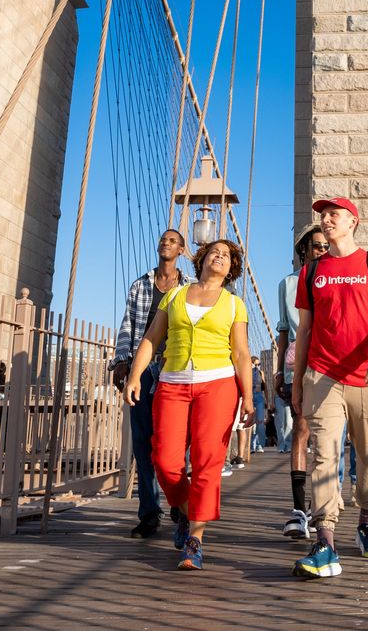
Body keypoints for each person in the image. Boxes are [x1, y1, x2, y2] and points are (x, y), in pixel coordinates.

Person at [291, 197, 368, 580]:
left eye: (333, 215)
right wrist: (298, 381)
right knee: (325, 456)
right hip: (322, 375)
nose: (326, 220)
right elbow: (305, 330)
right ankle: (325, 541)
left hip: (367, 376)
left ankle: (367, 522)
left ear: (353, 221)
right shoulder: (311, 272)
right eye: (322, 216)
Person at [124, 238, 253, 571]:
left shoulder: (234, 304)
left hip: (219, 385)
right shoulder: (175, 295)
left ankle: (195, 540)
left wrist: (249, 398)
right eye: (214, 252)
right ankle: (184, 509)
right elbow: (152, 338)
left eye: (226, 256)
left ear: (231, 268)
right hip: (173, 382)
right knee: (164, 460)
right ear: (202, 259)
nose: (219, 257)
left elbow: (241, 354)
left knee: (207, 462)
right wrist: (135, 375)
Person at [111, 229, 193, 539]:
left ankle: (177, 499)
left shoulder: (189, 289)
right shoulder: (140, 285)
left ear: (182, 250)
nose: (165, 243)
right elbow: (128, 324)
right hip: (142, 368)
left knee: (175, 440)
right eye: (162, 240)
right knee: (142, 441)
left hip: (174, 368)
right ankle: (148, 513)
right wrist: (122, 361)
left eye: (172, 241)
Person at [276, 225, 327, 538]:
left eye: (326, 246)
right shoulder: (288, 284)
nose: (322, 251)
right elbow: (284, 329)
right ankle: (298, 510)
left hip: (329, 360)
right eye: (317, 246)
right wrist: (278, 371)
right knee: (300, 430)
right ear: (303, 250)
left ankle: (317, 505)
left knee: (326, 437)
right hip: (298, 361)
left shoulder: (335, 279)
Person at [251, 355, 269, 453]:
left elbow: (265, 387)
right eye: (255, 364)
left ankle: (259, 444)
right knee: (251, 422)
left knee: (260, 422)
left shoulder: (260, 373)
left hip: (259, 396)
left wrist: (267, 400)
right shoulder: (248, 372)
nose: (257, 366)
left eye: (259, 364)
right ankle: (251, 445)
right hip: (250, 396)